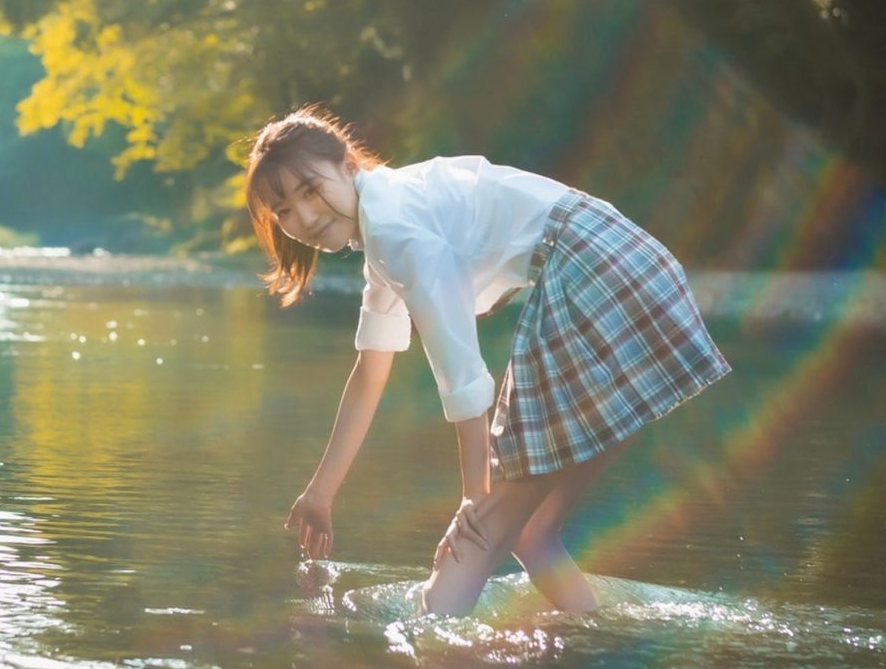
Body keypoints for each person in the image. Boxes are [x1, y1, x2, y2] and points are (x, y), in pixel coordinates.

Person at [244, 107, 730, 617]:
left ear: (347, 164)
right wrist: (320, 495)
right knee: (532, 532)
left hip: (595, 270)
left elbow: (461, 372)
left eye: (308, 190)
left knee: (476, 536)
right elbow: (369, 373)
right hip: (626, 261)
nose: (303, 217)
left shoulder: (394, 229)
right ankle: (595, 637)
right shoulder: (391, 218)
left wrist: (473, 496)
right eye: (283, 211)